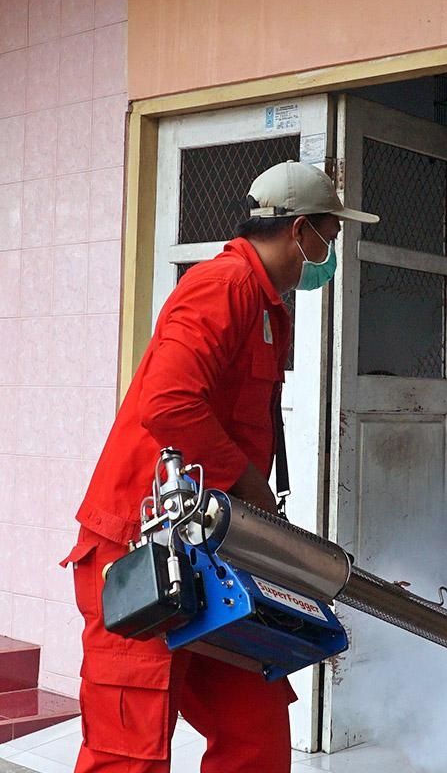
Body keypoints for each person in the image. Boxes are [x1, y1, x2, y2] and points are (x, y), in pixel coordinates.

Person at [61, 161, 378, 773]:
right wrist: (251, 484)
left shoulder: (265, 305)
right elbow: (168, 403)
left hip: (210, 549)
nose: (328, 256)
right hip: (142, 549)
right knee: (130, 750)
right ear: (300, 231)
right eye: (328, 240)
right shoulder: (224, 285)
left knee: (254, 733)